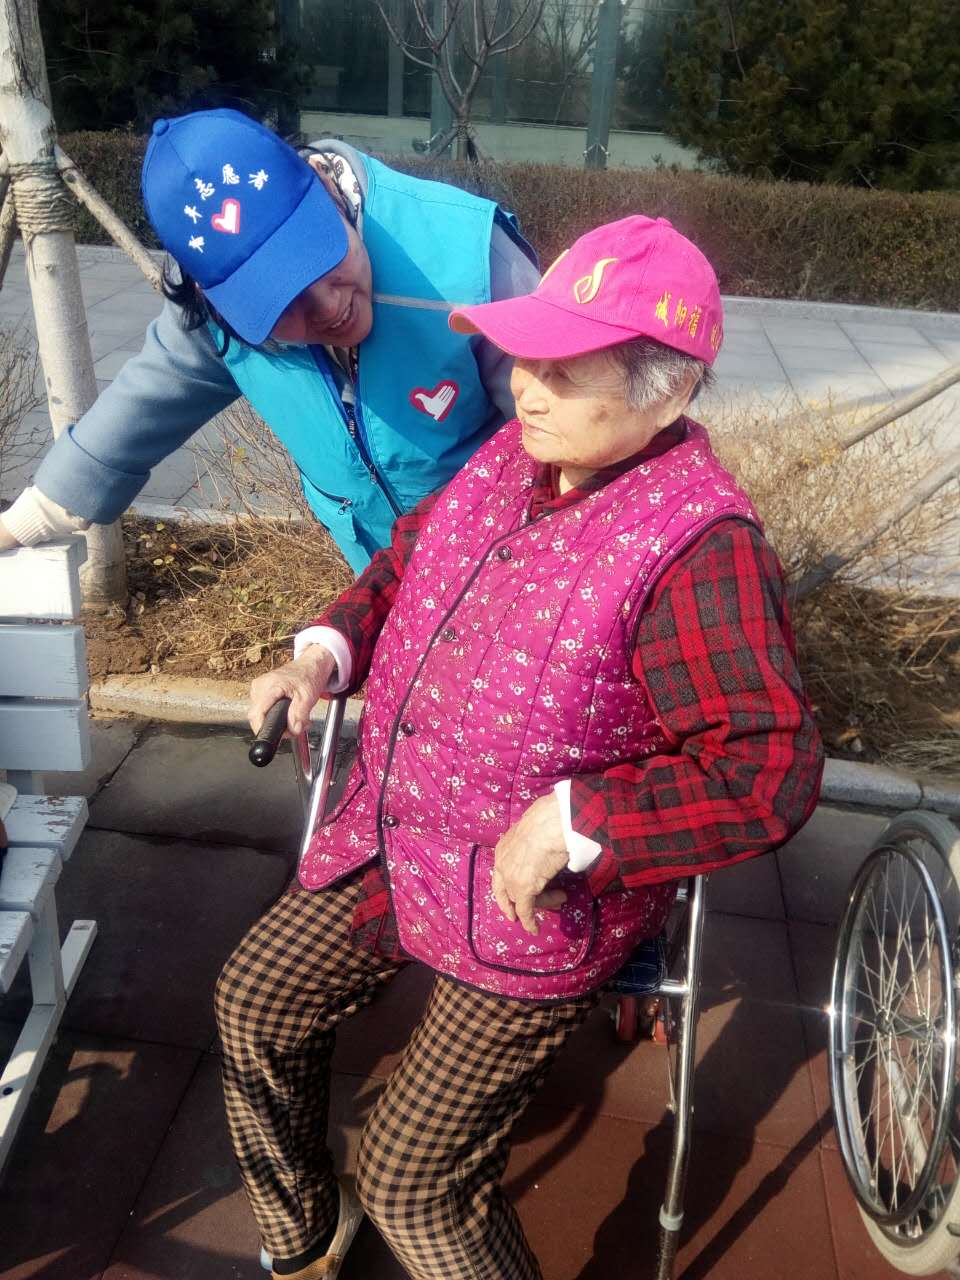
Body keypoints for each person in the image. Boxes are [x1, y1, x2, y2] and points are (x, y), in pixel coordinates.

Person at [226, 214, 824, 1280]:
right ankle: (307, 1235)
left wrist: (582, 821)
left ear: (668, 393)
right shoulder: (518, 453)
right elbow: (407, 560)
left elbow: (767, 766)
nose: (525, 389)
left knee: (411, 1176)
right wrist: (323, 651)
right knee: (253, 1002)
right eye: (525, 357)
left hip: (532, 903)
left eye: (563, 370)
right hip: (401, 827)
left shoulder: (697, 547)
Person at [0, 109, 539, 571]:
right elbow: (126, 424)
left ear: (325, 188)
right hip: (385, 587)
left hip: (515, 570)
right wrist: (21, 524)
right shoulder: (219, 320)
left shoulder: (470, 258)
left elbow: (571, 428)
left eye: (323, 257)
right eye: (283, 305)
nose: (329, 307)